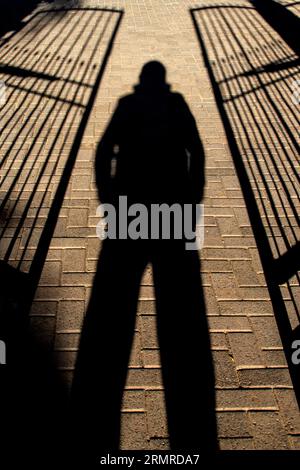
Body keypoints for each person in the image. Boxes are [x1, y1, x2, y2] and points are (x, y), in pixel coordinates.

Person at [71, 61, 218, 455]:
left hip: (129, 210)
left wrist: (108, 202)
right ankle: (190, 409)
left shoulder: (126, 103)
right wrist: (194, 200)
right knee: (180, 310)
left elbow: (103, 153)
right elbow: (198, 151)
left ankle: (97, 406)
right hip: (172, 210)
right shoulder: (178, 104)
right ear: (164, 82)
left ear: (141, 83)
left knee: (113, 309)